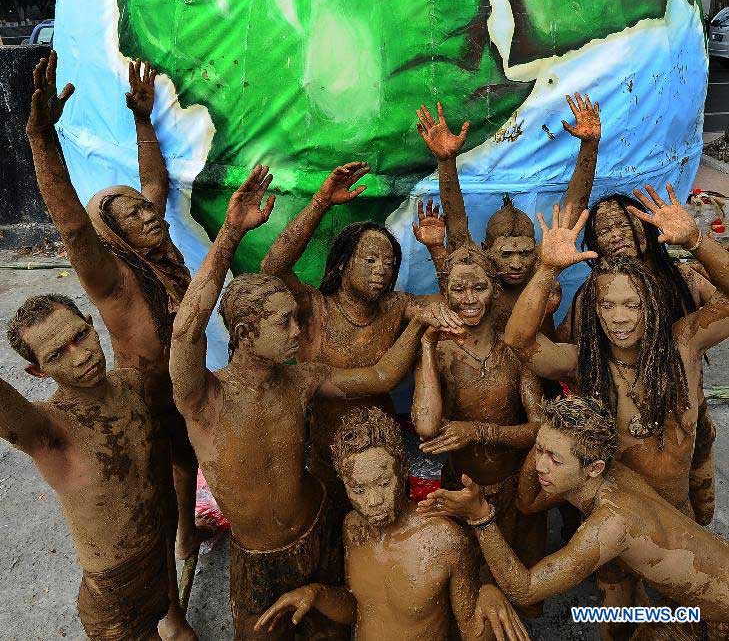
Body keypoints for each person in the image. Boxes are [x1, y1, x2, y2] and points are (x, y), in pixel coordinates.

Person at [169, 167, 432, 640]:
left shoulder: (301, 379)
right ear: (246, 334)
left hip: (316, 530)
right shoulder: (203, 397)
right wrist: (230, 232)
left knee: (330, 628)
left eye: (297, 321)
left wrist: (418, 323)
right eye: (286, 324)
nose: (298, 333)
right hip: (257, 556)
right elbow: (189, 327)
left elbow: (379, 376)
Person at [500, 191, 729, 633]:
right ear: (594, 309)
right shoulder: (587, 364)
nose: (618, 318)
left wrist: (698, 239)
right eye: (607, 305)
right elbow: (519, 345)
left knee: (687, 621)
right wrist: (546, 269)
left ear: (653, 308)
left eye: (631, 305)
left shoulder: (683, 345)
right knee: (617, 624)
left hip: (675, 527)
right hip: (613, 531)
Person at [26, 54, 199, 636]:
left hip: (186, 386)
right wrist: (43, 143)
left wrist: (142, 120)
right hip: (142, 401)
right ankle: (173, 610)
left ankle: (188, 536)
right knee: (157, 494)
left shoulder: (159, 247)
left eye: (143, 208)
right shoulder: (115, 281)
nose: (145, 213)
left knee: (188, 465)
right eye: (127, 214)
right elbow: (76, 227)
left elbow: (154, 185)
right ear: (115, 236)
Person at [260, 162, 462, 534]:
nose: (381, 270)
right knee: (332, 533)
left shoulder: (397, 306)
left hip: (384, 457)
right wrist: (321, 200)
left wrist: (436, 249)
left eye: (389, 262)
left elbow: (457, 304)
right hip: (325, 449)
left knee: (386, 533)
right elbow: (271, 269)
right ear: (341, 264)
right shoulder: (311, 307)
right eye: (369, 260)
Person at [417, 395, 729, 635]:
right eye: (540, 450)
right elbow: (527, 503)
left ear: (593, 469)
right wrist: (546, 437)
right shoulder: (600, 473)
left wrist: (480, 517)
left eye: (554, 458)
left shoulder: (612, 522)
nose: (540, 465)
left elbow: (524, 589)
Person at [254, 407, 529, 641]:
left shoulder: (446, 540)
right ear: (345, 485)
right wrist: (317, 595)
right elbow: (361, 610)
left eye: (384, 483)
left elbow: (471, 631)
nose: (373, 501)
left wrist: (488, 594)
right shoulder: (353, 527)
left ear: (403, 469)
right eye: (359, 490)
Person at [2, 294, 175, 640]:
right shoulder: (51, 434)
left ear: (92, 326)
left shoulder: (132, 386)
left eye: (80, 336)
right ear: (37, 372)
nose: (82, 357)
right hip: (115, 595)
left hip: (157, 548)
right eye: (56, 354)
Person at [558, 191, 720, 526]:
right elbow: (561, 350)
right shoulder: (593, 295)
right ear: (594, 246)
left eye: (625, 222)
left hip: (688, 413)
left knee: (698, 512)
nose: (617, 234)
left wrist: (696, 240)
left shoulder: (685, 278)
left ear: (648, 227)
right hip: (627, 421)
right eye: (604, 230)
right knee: (633, 515)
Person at [410, 242, 546, 602]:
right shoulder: (440, 351)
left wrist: (478, 431)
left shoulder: (514, 348)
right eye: (458, 289)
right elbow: (425, 426)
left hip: (515, 486)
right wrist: (425, 346)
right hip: (461, 488)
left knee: (521, 590)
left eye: (479, 287)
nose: (468, 298)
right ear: (445, 293)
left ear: (495, 289)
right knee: (468, 588)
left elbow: (539, 429)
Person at [414, 93, 601, 332]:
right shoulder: (479, 275)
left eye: (524, 253)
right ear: (485, 250)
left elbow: (574, 206)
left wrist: (590, 145)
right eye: (506, 254)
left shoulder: (540, 269)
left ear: (536, 250)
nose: (516, 264)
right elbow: (457, 222)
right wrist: (446, 161)